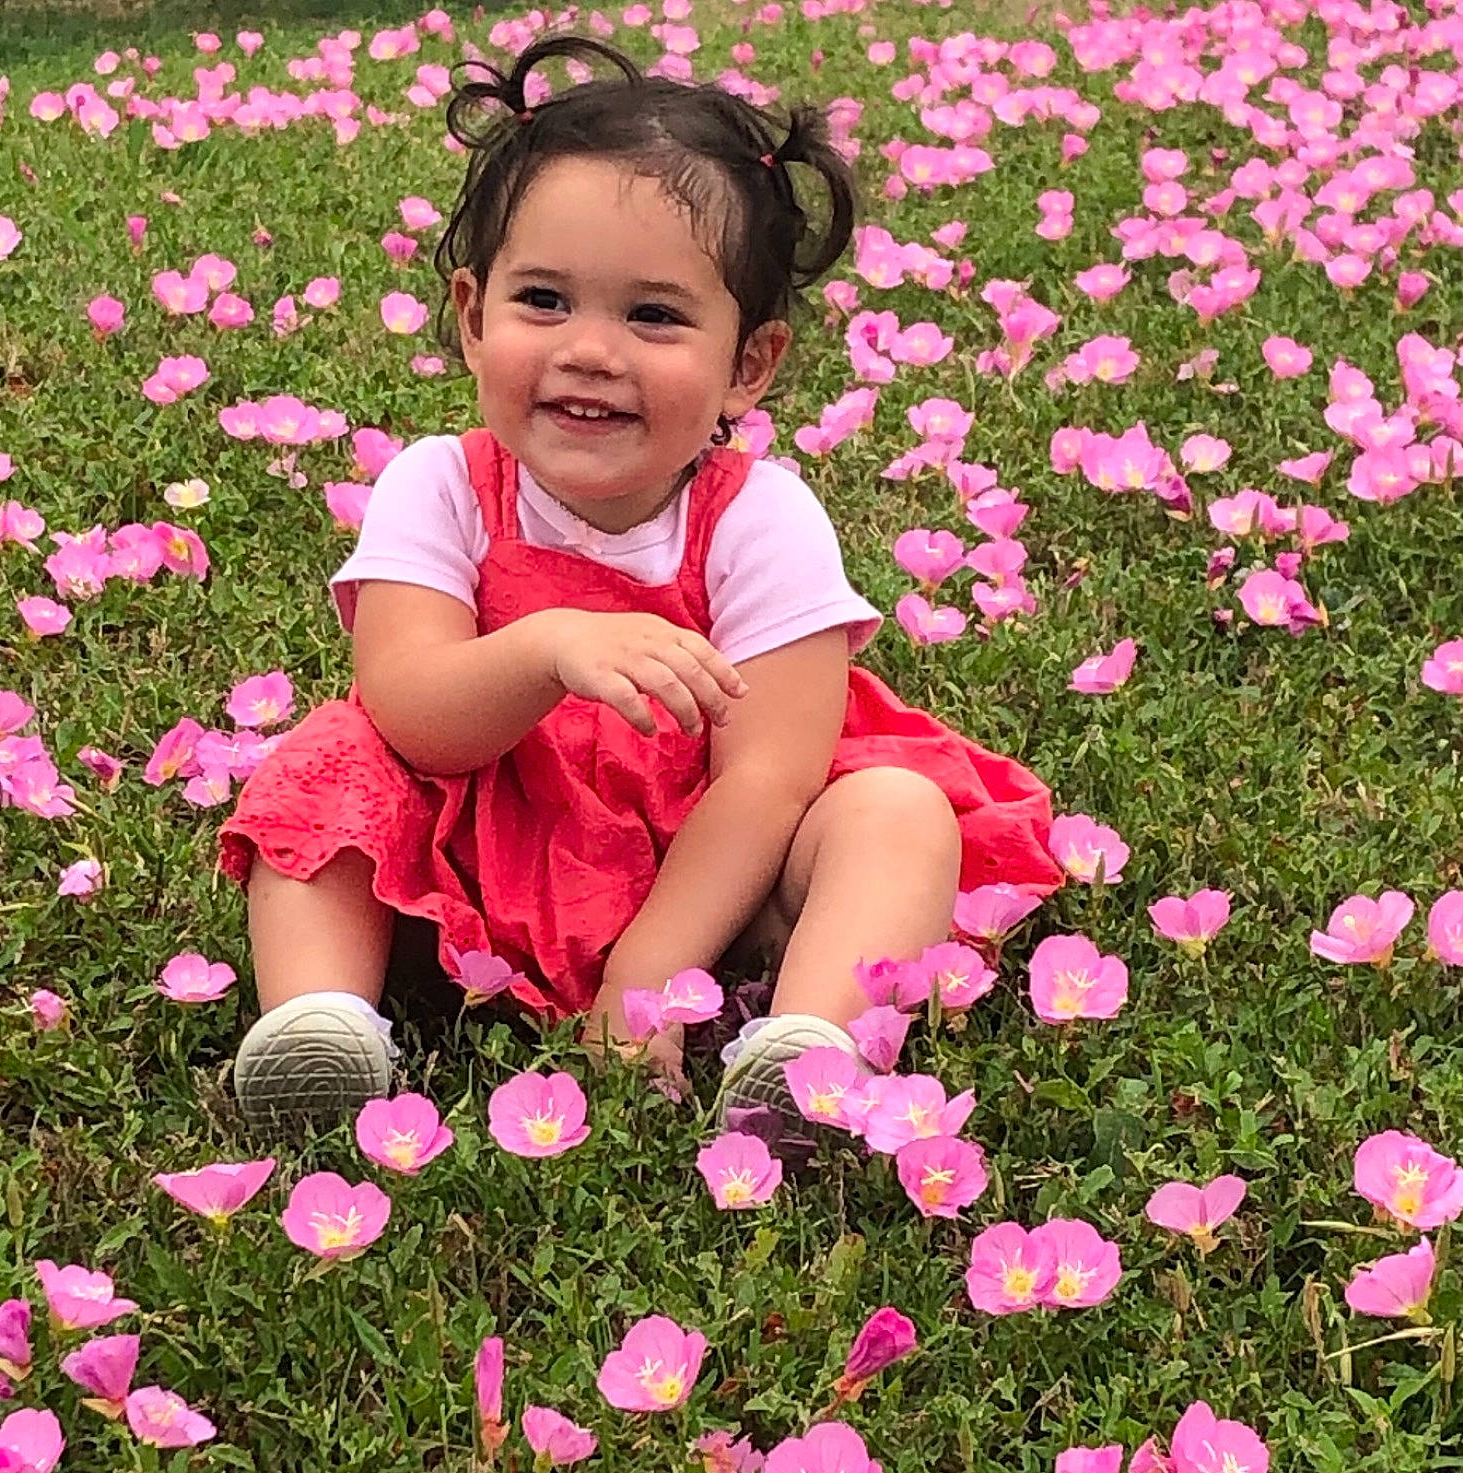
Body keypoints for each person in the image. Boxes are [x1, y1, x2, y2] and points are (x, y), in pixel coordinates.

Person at [220, 31, 1059, 1139]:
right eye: (545, 300)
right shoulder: (442, 486)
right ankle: (320, 1025)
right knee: (323, 766)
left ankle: (809, 1050)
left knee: (894, 816)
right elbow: (412, 715)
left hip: (715, 877)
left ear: (747, 365)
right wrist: (543, 646)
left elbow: (766, 781)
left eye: (654, 315)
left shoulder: (761, 519)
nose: (591, 350)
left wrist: (649, 981)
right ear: (471, 317)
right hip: (479, 862)